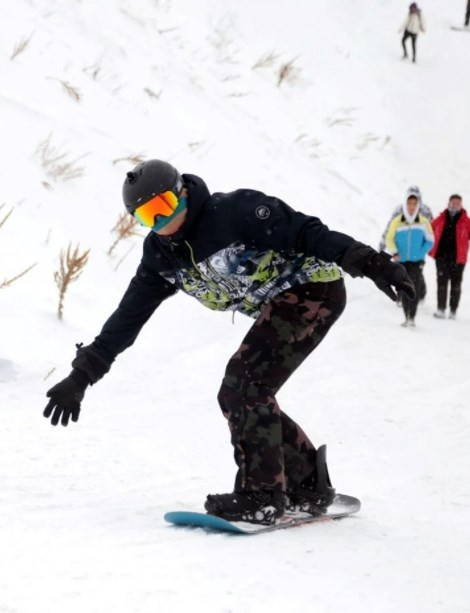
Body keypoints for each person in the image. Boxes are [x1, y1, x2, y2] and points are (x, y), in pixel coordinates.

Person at [42, 159, 415, 526]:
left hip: (314, 288)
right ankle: (307, 487)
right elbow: (127, 319)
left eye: (162, 207)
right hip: (278, 303)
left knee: (245, 383)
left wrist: (369, 262)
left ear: (181, 194)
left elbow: (307, 232)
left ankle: (263, 497)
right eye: (146, 217)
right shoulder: (161, 256)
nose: (160, 223)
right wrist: (82, 376)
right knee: (240, 391)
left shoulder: (236, 212)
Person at [384, 190, 434, 327]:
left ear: (418, 205)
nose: (412, 206)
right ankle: (407, 316)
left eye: (414, 203)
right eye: (409, 203)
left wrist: (420, 252)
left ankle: (412, 316)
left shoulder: (423, 222)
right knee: (405, 288)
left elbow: (430, 240)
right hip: (401, 261)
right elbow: (389, 238)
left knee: (414, 288)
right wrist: (394, 251)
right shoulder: (397, 221)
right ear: (405, 204)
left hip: (417, 262)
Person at [428, 195, 470, 320]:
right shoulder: (440, 218)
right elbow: (427, 231)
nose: (455, 204)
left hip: (458, 259)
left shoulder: (467, 221)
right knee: (441, 283)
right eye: (453, 202)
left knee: (456, 285)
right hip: (441, 257)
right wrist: (426, 249)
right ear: (449, 203)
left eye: (458, 203)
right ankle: (440, 309)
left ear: (461, 205)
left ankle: (453, 310)